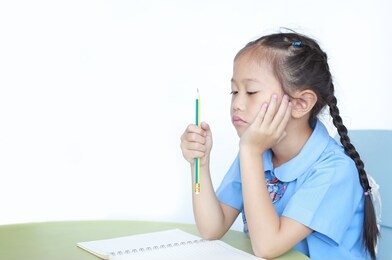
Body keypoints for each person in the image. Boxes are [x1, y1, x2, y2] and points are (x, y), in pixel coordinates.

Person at [180, 30, 379, 259]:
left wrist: (251, 152)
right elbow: (211, 228)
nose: (237, 104)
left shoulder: (334, 171)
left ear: (301, 103)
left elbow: (267, 247)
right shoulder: (257, 152)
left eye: (251, 91)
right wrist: (199, 164)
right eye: (234, 91)